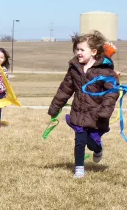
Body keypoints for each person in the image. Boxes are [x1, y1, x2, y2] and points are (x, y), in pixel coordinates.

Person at [47, 31, 119, 178]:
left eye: (82, 50)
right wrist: (55, 107)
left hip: (96, 115)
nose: (78, 53)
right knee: (79, 141)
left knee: (92, 143)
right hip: (79, 112)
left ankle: (98, 149)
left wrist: (105, 112)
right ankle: (79, 168)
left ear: (93, 51)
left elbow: (111, 93)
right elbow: (65, 89)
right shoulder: (74, 68)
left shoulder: (105, 71)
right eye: (77, 49)